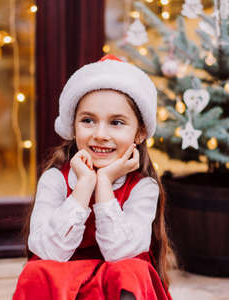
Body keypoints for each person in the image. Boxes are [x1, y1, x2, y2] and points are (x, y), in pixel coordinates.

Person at [13, 55, 173, 300]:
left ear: (139, 133)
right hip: (64, 286)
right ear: (74, 126)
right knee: (37, 270)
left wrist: (105, 183)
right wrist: (84, 185)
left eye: (116, 123)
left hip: (115, 287)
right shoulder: (55, 180)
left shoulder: (143, 188)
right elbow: (48, 251)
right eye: (88, 120)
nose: (100, 134)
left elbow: (118, 252)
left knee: (130, 269)